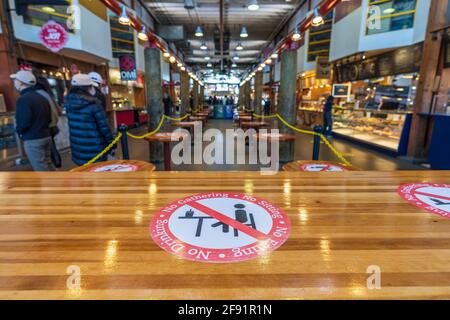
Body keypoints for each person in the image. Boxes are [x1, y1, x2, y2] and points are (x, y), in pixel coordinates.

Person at [64, 74, 114, 166]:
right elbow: (104, 128)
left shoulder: (68, 103)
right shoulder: (94, 104)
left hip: (78, 149)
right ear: (88, 87)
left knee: (84, 175)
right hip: (95, 149)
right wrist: (112, 144)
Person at [10, 70, 55, 171]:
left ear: (20, 82)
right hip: (46, 136)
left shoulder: (23, 99)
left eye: (15, 80)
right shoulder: (42, 97)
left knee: (41, 168)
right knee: (48, 164)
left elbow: (23, 122)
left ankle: (51, 187)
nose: (14, 82)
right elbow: (49, 118)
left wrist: (19, 132)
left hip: (33, 139)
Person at [35, 75, 62, 168]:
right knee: (51, 150)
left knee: (48, 154)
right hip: (52, 127)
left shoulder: (39, 95)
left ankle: (55, 166)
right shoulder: (49, 94)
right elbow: (59, 111)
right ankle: (56, 164)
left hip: (46, 128)